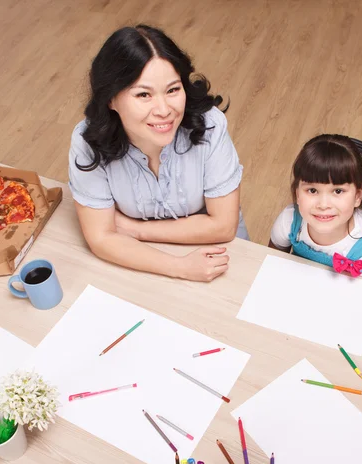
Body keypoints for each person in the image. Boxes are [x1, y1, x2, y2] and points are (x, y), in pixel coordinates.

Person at [68, 25, 248, 282]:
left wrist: (137, 230)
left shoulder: (209, 124)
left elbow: (223, 226)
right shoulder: (87, 139)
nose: (164, 110)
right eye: (144, 94)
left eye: (173, 90)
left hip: (218, 256)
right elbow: (100, 238)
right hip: (145, 264)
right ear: (111, 99)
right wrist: (180, 267)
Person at [269, 134, 362, 280]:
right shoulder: (289, 220)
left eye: (338, 191)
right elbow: (270, 265)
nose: (323, 205)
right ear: (297, 194)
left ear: (357, 196)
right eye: (312, 190)